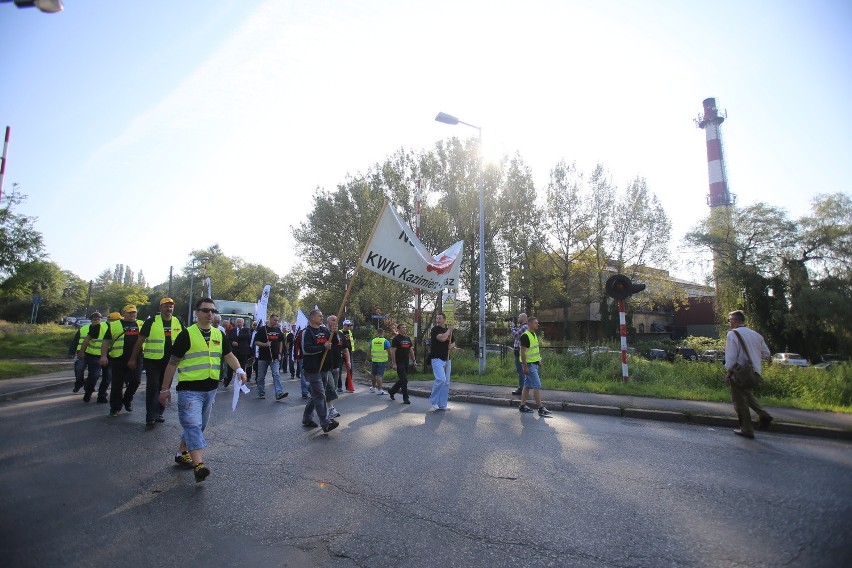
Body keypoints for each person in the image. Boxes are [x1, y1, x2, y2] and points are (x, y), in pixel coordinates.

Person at [158, 298, 248, 483]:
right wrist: (164, 389)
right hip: (189, 389)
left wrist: (238, 369)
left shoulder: (218, 334)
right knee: (192, 424)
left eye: (212, 311)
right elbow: (172, 362)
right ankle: (199, 465)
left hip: (210, 389)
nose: (210, 314)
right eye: (206, 310)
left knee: (199, 426)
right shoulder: (186, 335)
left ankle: (181, 453)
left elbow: (228, 355)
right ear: (197, 313)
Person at [129, 298, 183, 430]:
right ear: (160, 308)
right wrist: (133, 359)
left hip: (170, 363)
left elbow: (184, 341)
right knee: (153, 387)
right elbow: (140, 341)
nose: (169, 308)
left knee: (164, 388)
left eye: (171, 306)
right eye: (166, 306)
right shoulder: (151, 322)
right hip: (153, 361)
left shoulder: (177, 322)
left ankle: (159, 412)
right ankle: (150, 416)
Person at [724, 310, 773, 439]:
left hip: (740, 373)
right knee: (747, 394)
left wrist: (729, 372)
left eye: (730, 320)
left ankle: (746, 429)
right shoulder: (756, 335)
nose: (729, 322)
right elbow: (766, 354)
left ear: (735, 320)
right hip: (755, 372)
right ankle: (764, 415)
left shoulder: (732, 334)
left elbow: (731, 356)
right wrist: (753, 359)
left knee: (740, 402)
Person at [100, 304, 143, 418]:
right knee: (117, 385)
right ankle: (115, 408)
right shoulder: (114, 325)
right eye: (129, 312)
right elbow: (106, 341)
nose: (132, 314)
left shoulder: (141, 324)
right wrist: (103, 356)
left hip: (136, 359)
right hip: (118, 359)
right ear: (123, 313)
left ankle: (127, 399)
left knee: (136, 381)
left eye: (134, 312)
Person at [301, 308, 339, 433]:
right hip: (313, 369)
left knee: (316, 395)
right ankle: (325, 422)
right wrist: (323, 347)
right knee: (320, 394)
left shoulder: (324, 330)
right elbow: (306, 349)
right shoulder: (306, 332)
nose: (322, 318)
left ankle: (307, 418)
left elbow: (335, 342)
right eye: (320, 316)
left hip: (324, 368)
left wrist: (334, 332)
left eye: (322, 316)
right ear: (312, 318)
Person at [517, 317, 552, 417]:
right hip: (529, 365)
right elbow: (523, 353)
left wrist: (538, 361)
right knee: (537, 385)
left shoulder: (534, 335)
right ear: (530, 324)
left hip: (534, 364)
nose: (537, 325)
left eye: (537, 323)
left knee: (527, 385)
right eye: (536, 323)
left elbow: (534, 351)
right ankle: (541, 408)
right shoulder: (525, 336)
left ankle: (522, 406)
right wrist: (524, 367)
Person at [254, 314, 288, 400]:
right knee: (261, 376)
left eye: (277, 320)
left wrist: (280, 353)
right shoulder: (262, 329)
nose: (276, 322)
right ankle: (261, 392)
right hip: (263, 357)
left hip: (275, 357)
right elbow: (256, 342)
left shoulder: (277, 329)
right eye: (275, 320)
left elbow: (280, 341)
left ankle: (279, 393)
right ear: (270, 319)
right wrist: (265, 344)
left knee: (276, 374)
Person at [74, 312, 106, 402]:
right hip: (83, 353)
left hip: (96, 355)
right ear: (91, 320)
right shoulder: (84, 328)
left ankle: (88, 389)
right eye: (95, 319)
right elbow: (76, 340)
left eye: (98, 319)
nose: (97, 321)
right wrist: (77, 352)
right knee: (79, 368)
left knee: (94, 375)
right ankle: (79, 382)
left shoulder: (104, 328)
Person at [323, 315, 348, 418]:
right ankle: (330, 408)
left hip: (336, 364)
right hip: (326, 365)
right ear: (328, 321)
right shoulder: (323, 332)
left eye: (337, 320)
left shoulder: (339, 334)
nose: (335, 322)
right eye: (333, 320)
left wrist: (348, 361)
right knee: (331, 387)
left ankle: (319, 406)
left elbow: (344, 348)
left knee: (329, 389)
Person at [428, 313, 454, 411]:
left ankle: (442, 404)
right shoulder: (435, 330)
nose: (438, 320)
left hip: (447, 359)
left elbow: (454, 341)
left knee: (446, 382)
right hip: (437, 359)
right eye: (437, 318)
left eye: (440, 318)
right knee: (441, 379)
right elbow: (442, 338)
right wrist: (449, 330)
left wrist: (452, 345)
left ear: (444, 320)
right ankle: (433, 401)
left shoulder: (447, 330)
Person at [388, 323, 415, 404]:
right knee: (404, 379)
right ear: (398, 329)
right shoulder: (396, 339)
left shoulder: (408, 338)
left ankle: (392, 391)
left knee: (404, 380)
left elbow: (411, 350)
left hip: (406, 362)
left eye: (405, 327)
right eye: (403, 328)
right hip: (399, 362)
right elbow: (393, 351)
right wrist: (394, 363)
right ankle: (405, 398)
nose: (404, 329)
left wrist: (414, 360)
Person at [225, 318, 252, 389]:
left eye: (240, 322)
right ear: (236, 323)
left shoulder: (246, 330)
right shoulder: (232, 331)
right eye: (238, 322)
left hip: (243, 353)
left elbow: (248, 336)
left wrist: (238, 337)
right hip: (234, 353)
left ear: (243, 323)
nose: (239, 324)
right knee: (230, 369)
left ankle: (241, 385)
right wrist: (232, 342)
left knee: (242, 369)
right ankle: (227, 380)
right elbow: (228, 340)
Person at [509, 313, 529, 396]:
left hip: (520, 350)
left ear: (523, 318)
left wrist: (512, 326)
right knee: (522, 370)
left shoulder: (524, 327)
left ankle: (521, 389)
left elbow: (516, 335)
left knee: (520, 371)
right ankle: (525, 388)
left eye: (519, 317)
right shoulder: (523, 326)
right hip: (519, 350)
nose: (518, 318)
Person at [369, 328, 391, 396]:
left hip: (374, 360)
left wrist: (367, 359)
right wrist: (391, 360)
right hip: (382, 361)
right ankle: (380, 390)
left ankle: (373, 387)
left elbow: (369, 351)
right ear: (383, 333)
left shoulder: (373, 341)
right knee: (379, 375)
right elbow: (389, 352)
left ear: (377, 333)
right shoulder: (385, 341)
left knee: (373, 374)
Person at [341, 319, 355, 392]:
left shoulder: (350, 332)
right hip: (341, 352)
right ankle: (339, 386)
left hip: (349, 352)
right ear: (344, 325)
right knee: (339, 370)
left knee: (350, 369)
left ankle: (348, 386)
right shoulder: (340, 332)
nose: (349, 327)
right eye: (348, 325)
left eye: (350, 325)